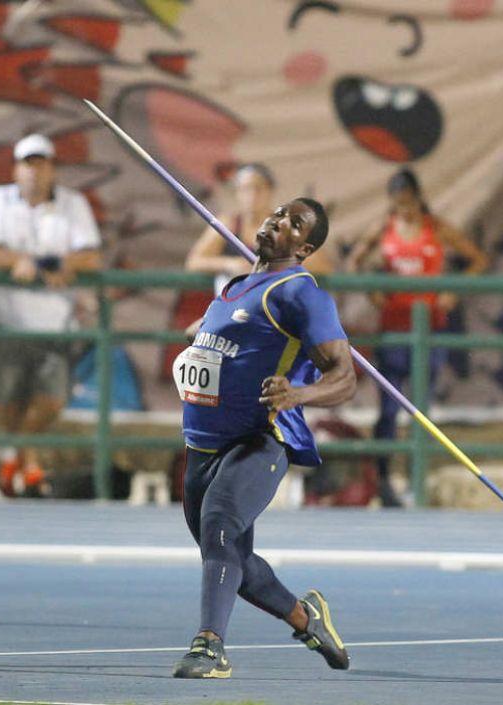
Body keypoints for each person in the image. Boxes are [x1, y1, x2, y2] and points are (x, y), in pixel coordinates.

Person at [171, 197, 354, 678]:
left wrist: (299, 393)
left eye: (295, 224)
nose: (278, 222)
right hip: (201, 447)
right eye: (279, 214)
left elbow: (346, 377)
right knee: (230, 556)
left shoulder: (299, 292)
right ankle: (307, 619)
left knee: (220, 526)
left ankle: (209, 647)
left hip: (256, 439)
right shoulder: (234, 287)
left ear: (306, 247)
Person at [349, 169, 488, 507]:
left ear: (417, 196)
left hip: (429, 327)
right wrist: (373, 291)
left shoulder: (435, 226)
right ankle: (384, 479)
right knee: (388, 408)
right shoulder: (383, 228)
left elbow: (478, 260)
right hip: (394, 326)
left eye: (408, 199)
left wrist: (451, 291)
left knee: (420, 407)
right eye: (398, 201)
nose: (404, 208)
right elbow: (354, 262)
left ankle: (416, 478)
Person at [0, 134, 103, 497]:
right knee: (12, 399)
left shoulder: (72, 203)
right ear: (16, 169)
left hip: (56, 322)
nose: (34, 172)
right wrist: (22, 260)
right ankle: (28, 468)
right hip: (8, 318)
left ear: (52, 169)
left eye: (41, 163)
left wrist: (49, 262)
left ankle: (7, 451)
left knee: (52, 400)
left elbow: (91, 256)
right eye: (27, 164)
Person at [185, 163, 334, 290]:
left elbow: (322, 265)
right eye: (245, 189)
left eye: (258, 188)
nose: (252, 195)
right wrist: (230, 264)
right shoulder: (229, 224)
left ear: (269, 190)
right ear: (237, 193)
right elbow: (194, 261)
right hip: (236, 307)